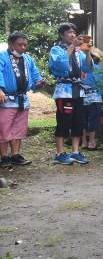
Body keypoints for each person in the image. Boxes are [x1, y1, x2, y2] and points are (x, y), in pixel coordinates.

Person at [49, 23, 93, 165]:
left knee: (78, 122)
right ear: (62, 35)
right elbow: (61, 65)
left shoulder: (79, 51)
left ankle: (75, 152)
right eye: (69, 32)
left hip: (78, 91)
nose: (73, 34)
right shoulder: (56, 49)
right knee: (63, 122)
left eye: (74, 32)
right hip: (64, 91)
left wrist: (87, 53)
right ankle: (60, 153)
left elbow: (88, 68)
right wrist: (73, 46)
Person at [0, 32, 44, 168]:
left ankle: (15, 155)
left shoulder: (28, 59)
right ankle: (4, 157)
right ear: (10, 44)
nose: (23, 48)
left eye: (25, 45)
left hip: (22, 99)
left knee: (19, 129)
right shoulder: (2, 57)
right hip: (6, 98)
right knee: (3, 128)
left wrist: (39, 82)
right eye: (19, 45)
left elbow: (35, 74)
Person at [81, 49, 103, 151]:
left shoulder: (81, 68)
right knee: (93, 120)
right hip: (94, 97)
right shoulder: (97, 68)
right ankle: (91, 142)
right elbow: (102, 84)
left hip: (81, 96)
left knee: (82, 120)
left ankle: (83, 142)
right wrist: (101, 95)